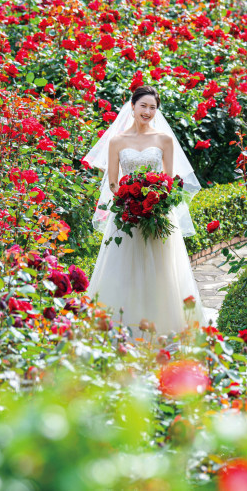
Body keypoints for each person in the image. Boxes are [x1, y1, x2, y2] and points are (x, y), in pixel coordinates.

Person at [83, 85, 206, 334]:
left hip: (157, 212)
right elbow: (113, 182)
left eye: (153, 107)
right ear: (132, 106)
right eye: (144, 106)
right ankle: (120, 326)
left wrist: (155, 200)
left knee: (161, 270)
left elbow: (169, 180)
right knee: (122, 269)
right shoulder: (117, 141)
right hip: (127, 214)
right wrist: (128, 199)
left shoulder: (164, 140)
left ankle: (163, 326)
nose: (148, 111)